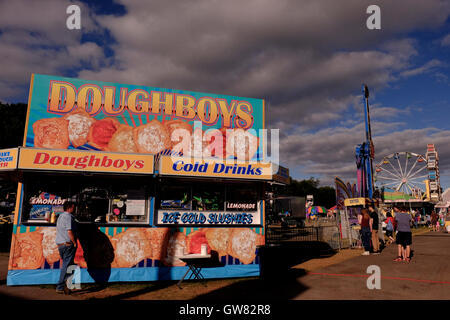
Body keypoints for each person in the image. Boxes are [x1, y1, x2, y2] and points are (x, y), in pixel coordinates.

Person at [55, 201, 78, 294]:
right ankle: (60, 286)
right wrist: (74, 242)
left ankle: (68, 286)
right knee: (67, 265)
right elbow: (69, 231)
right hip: (68, 244)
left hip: (60, 244)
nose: (74, 209)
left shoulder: (60, 216)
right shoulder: (68, 217)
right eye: (73, 207)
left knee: (70, 265)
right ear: (70, 208)